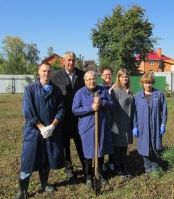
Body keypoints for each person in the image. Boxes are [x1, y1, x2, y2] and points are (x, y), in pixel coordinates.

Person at [14, 62, 65, 199]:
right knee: (29, 159)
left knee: (46, 157)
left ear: (52, 72)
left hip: (50, 131)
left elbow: (61, 109)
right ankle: (22, 190)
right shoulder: (30, 89)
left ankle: (44, 183)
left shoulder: (56, 90)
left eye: (49, 71)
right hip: (34, 132)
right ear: (39, 71)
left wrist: (52, 126)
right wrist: (41, 127)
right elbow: (28, 111)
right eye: (43, 71)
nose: (46, 74)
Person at [72, 71, 114, 188]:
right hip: (87, 129)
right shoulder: (80, 93)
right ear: (85, 81)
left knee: (100, 153)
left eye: (94, 79)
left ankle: (99, 174)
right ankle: (88, 177)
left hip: (101, 127)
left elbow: (112, 105)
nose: (92, 81)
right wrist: (91, 108)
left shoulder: (102, 90)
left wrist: (102, 102)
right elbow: (75, 110)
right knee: (88, 155)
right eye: (89, 79)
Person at [51, 51, 86, 181]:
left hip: (79, 117)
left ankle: (86, 167)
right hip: (64, 117)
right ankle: (69, 170)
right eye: (68, 60)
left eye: (73, 60)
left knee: (81, 143)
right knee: (65, 145)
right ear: (64, 61)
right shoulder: (55, 76)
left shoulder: (81, 75)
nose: (71, 62)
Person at [133, 72, 167, 176]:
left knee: (156, 147)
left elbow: (164, 110)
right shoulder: (138, 96)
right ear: (142, 84)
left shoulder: (159, 94)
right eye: (146, 83)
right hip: (142, 126)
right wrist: (135, 126)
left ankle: (155, 168)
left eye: (150, 83)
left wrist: (163, 124)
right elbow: (134, 112)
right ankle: (147, 169)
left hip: (156, 125)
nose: (148, 85)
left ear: (153, 83)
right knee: (144, 147)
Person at [110, 68, 134, 177]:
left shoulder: (128, 90)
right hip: (118, 123)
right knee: (118, 147)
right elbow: (113, 108)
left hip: (127, 123)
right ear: (119, 78)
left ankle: (124, 168)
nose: (124, 78)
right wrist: (114, 124)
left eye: (126, 76)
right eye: (122, 76)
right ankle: (117, 169)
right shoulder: (115, 91)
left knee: (124, 146)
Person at [99, 67, 115, 172]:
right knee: (102, 140)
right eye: (105, 75)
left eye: (109, 74)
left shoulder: (116, 86)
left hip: (114, 118)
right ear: (101, 76)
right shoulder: (98, 88)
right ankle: (101, 162)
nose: (107, 77)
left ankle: (112, 161)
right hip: (102, 119)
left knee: (113, 141)